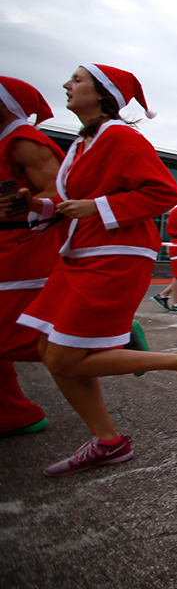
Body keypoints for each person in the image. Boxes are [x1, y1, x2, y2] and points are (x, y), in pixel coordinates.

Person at [14, 64, 177, 476]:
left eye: (77, 79)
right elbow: (82, 200)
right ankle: (107, 441)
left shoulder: (121, 136)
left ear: (103, 93)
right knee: (47, 351)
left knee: (66, 357)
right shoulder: (80, 144)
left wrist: (97, 208)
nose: (66, 85)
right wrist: (42, 205)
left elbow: (162, 192)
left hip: (116, 253)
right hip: (81, 252)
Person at [0, 77, 64, 438]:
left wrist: (27, 204)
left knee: (9, 336)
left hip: (21, 248)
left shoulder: (24, 142)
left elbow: (60, 192)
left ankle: (109, 338)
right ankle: (11, 410)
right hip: (9, 247)